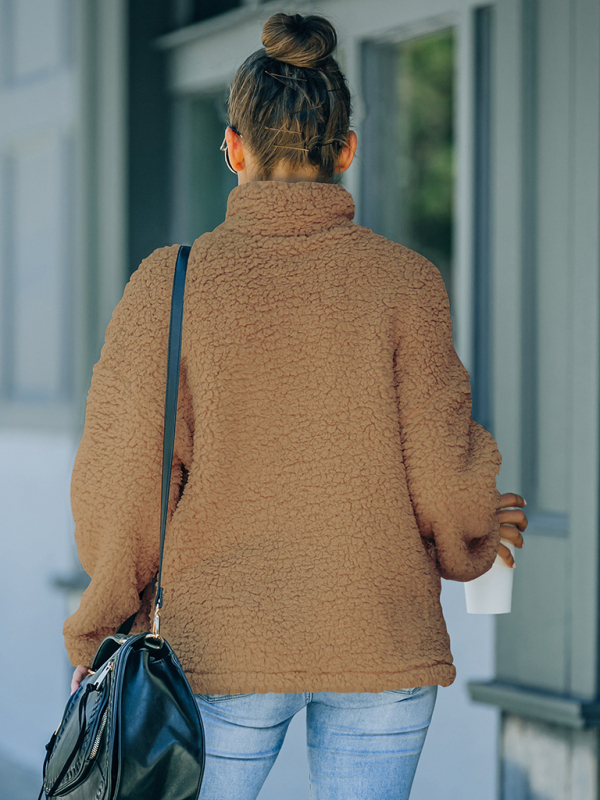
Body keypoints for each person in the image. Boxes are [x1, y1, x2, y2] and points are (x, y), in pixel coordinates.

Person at [64, 11, 527, 799]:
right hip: (378, 637)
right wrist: (479, 534)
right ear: (346, 151)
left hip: (216, 648)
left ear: (233, 147)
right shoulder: (406, 282)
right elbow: (446, 481)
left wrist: (98, 625)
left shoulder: (170, 284)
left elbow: (124, 481)